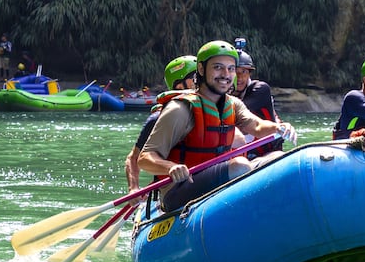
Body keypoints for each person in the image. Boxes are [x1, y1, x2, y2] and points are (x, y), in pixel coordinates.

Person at [138, 40, 294, 212]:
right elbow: (145, 158)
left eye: (231, 68)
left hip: (215, 178)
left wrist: (278, 128)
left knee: (276, 157)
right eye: (218, 67)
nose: (226, 74)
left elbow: (256, 125)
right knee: (240, 166)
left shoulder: (232, 104)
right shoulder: (180, 109)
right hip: (178, 189)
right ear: (201, 69)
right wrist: (170, 167)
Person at [125, 54, 198, 190]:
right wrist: (133, 188)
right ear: (179, 85)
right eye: (194, 78)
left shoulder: (216, 110)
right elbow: (134, 158)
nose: (200, 82)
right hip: (176, 189)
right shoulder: (158, 118)